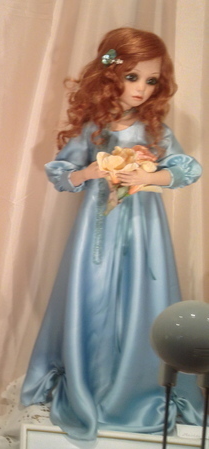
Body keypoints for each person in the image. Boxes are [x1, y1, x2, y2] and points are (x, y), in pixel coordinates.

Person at [20, 28, 203, 440]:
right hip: (98, 230)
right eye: (132, 77)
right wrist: (90, 172)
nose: (140, 89)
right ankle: (94, 382)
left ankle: (139, 386)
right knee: (94, 295)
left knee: (143, 297)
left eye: (151, 80)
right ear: (110, 75)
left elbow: (187, 168)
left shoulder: (155, 130)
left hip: (143, 228)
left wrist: (150, 175)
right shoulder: (95, 130)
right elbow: (61, 174)